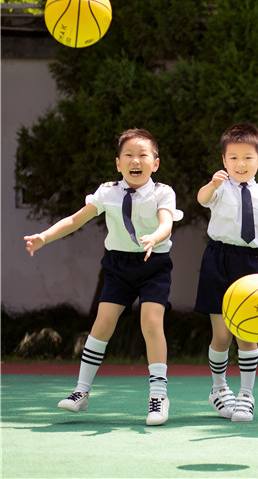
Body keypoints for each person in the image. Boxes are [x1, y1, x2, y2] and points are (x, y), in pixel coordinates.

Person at [23, 128, 183, 426]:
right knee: (102, 324)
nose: (136, 161)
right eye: (129, 156)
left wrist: (153, 238)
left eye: (143, 155)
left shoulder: (163, 192)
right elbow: (75, 219)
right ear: (118, 163)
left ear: (155, 163)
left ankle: (159, 396)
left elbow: (166, 223)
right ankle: (81, 392)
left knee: (151, 321)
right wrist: (43, 237)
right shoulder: (107, 191)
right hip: (118, 266)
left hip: (154, 263)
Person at [195, 123, 258, 423]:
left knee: (248, 333)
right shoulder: (219, 188)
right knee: (222, 335)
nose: (241, 164)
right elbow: (201, 199)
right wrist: (212, 184)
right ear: (224, 161)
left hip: (249, 266)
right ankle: (218, 389)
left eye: (248, 158)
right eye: (234, 158)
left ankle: (246, 396)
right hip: (217, 259)